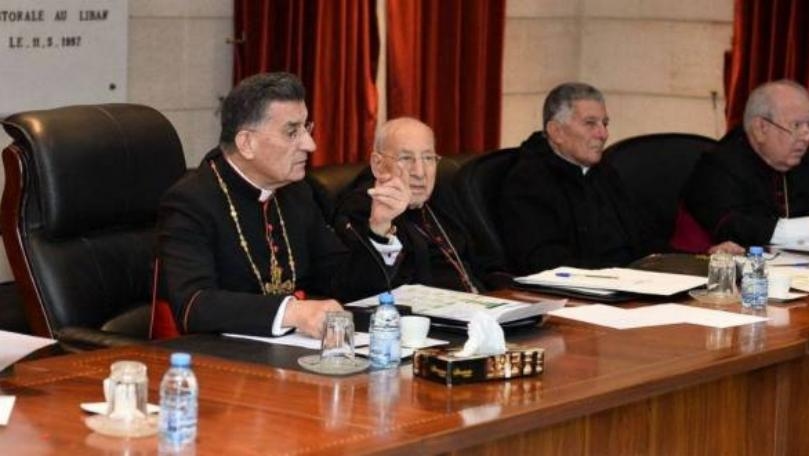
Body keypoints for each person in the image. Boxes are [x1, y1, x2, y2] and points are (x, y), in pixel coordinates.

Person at [156, 72, 401, 338]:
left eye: (307, 128)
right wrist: (293, 312)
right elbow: (195, 306)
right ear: (246, 143)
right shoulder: (190, 201)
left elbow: (339, 281)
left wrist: (379, 228)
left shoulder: (296, 191)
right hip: (217, 361)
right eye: (292, 132)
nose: (310, 144)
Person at [499, 82, 660, 274]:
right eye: (590, 123)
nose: (603, 134)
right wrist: (619, 276)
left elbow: (644, 239)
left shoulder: (605, 172)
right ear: (556, 131)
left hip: (631, 285)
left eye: (605, 123)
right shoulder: (529, 180)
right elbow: (545, 261)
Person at [335, 117, 495, 292]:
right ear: (378, 164)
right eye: (405, 158)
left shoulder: (443, 195)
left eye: (428, 158)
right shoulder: (364, 208)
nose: (419, 172)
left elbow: (485, 263)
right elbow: (365, 288)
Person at [684, 79, 809, 248]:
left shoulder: (802, 161)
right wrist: (795, 231)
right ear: (761, 128)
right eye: (796, 125)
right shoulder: (718, 165)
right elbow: (730, 227)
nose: (806, 137)